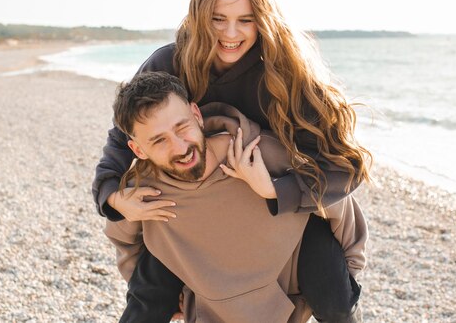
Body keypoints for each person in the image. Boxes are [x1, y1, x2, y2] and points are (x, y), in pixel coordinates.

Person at [92, 0, 372, 322]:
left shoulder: (286, 74)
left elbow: (348, 166)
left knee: (334, 301)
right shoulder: (171, 62)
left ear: (263, 19)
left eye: (245, 20)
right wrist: (112, 195)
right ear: (199, 17)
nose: (230, 34)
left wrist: (277, 189)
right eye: (218, 19)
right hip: (197, 215)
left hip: (283, 217)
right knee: (147, 297)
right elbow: (123, 134)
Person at [105, 71, 368, 323]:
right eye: (158, 140)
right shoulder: (142, 191)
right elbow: (125, 242)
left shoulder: (257, 153)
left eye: (181, 127)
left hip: (289, 274)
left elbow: (332, 201)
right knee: (151, 276)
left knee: (338, 305)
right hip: (213, 290)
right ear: (137, 149)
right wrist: (173, 295)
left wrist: (348, 273)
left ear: (196, 115)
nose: (180, 147)